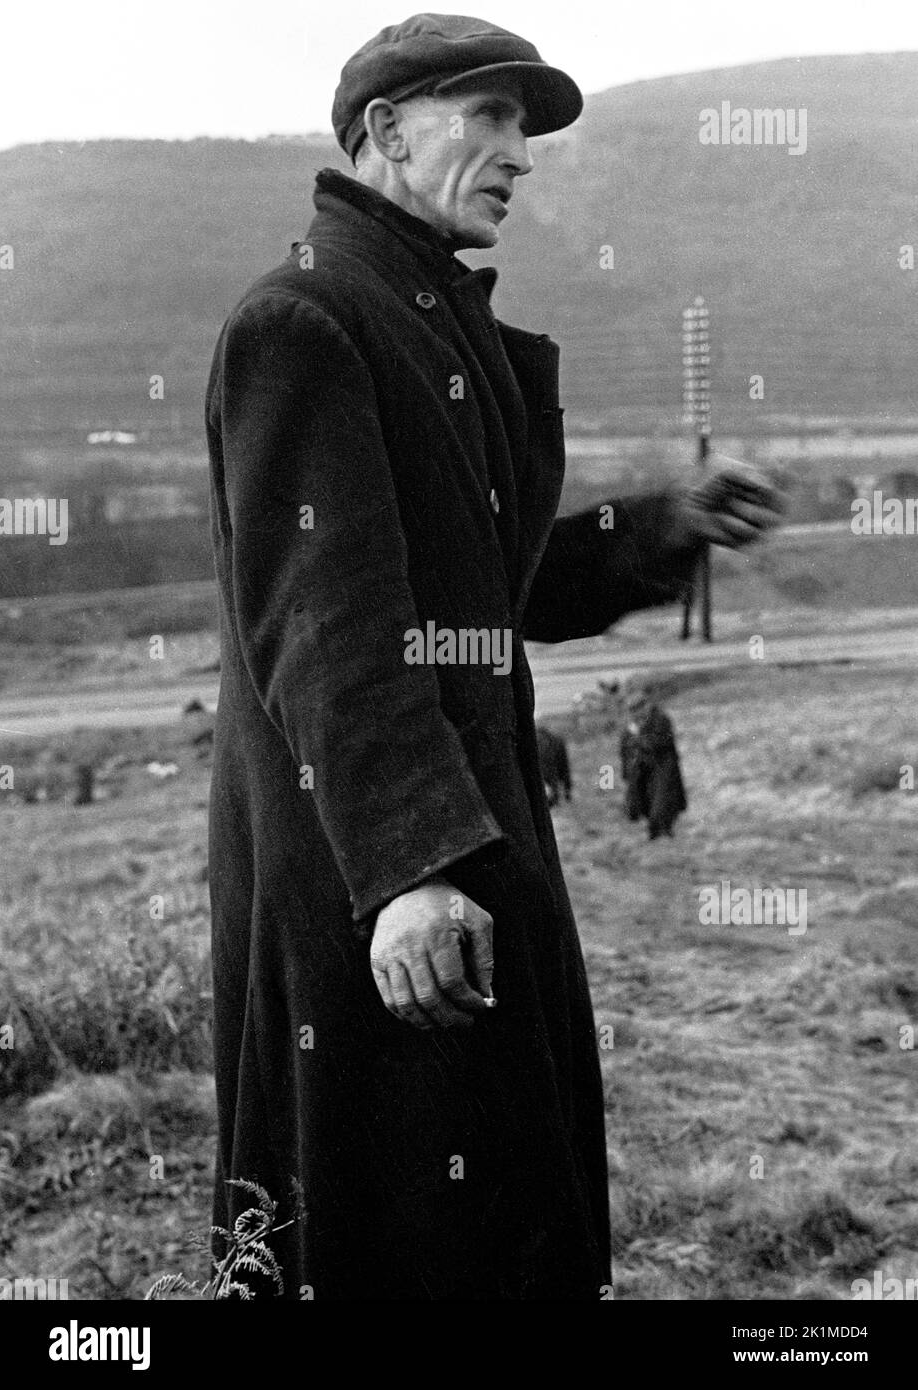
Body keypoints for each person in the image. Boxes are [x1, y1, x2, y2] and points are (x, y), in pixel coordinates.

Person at [204, 12, 781, 1300]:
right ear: (383, 134)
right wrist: (406, 870)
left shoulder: (422, 320)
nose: (522, 152)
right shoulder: (308, 319)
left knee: (494, 1202)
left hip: (465, 845)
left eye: (525, 124)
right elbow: (325, 626)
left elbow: (483, 587)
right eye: (493, 115)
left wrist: (663, 523)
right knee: (393, 1218)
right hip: (369, 868)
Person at [620, 684, 688, 838]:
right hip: (642, 772)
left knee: (662, 803)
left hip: (663, 769)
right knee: (645, 804)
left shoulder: (661, 719)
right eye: (632, 710)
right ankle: (656, 834)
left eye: (637, 708)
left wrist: (638, 737)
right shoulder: (630, 727)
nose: (635, 713)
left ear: (645, 705)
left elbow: (661, 742)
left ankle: (662, 833)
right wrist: (625, 773)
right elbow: (624, 751)